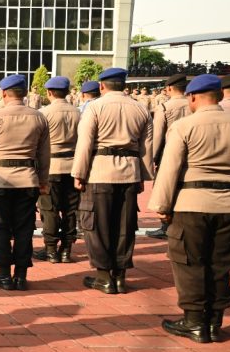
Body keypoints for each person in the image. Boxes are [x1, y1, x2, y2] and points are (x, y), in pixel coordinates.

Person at [148, 75, 230, 343]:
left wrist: (162, 205)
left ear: (193, 97)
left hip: (192, 203)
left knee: (190, 262)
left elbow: (171, 168)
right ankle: (214, 322)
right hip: (229, 203)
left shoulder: (185, 126)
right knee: (221, 263)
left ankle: (195, 321)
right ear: (219, 96)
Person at [72, 68, 153, 295]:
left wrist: (79, 173)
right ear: (124, 85)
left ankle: (104, 277)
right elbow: (147, 147)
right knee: (124, 226)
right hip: (129, 171)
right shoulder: (140, 108)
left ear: (101, 86)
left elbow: (85, 143)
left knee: (97, 225)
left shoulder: (95, 107)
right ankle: (120, 276)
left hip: (100, 171)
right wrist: (143, 177)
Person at [0, 75, 51, 291]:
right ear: (25, 93)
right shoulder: (39, 117)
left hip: (0, 179)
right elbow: (45, 154)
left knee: (0, 227)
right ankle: (21, 276)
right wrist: (43, 181)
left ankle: (3, 275)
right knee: (24, 228)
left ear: (4, 93)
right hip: (28, 179)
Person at [33, 76, 81, 264]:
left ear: (49, 92)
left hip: (51, 166)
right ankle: (66, 249)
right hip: (72, 165)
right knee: (70, 210)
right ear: (68, 92)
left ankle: (51, 249)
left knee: (49, 208)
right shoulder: (78, 112)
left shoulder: (44, 113)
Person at [146, 74, 192, 240]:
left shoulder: (164, 107)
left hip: (170, 151)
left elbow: (158, 135)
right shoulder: (193, 103)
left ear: (170, 88)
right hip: (192, 151)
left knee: (166, 187)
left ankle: (166, 226)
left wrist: (154, 157)